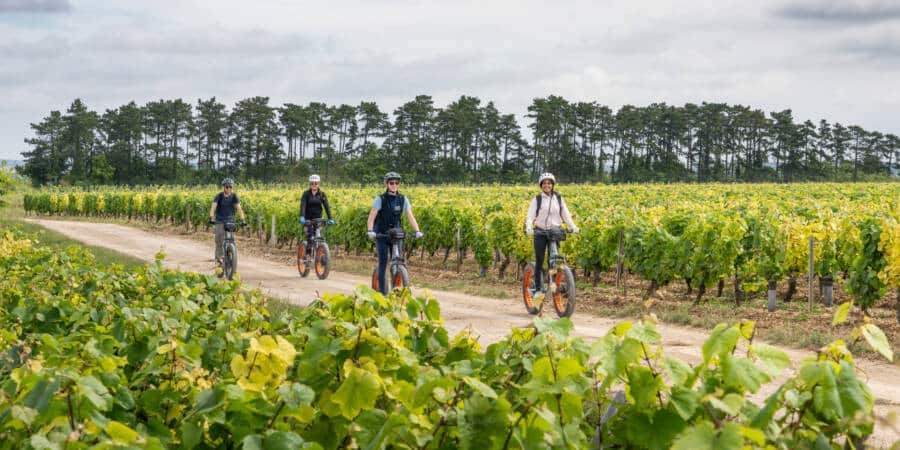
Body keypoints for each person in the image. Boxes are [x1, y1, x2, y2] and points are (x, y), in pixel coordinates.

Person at [366, 171, 423, 295]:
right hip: (382, 234)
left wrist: (417, 230)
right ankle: (382, 294)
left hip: (396, 234)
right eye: (391, 183)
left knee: (398, 261)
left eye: (397, 183)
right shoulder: (380, 199)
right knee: (383, 263)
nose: (394, 185)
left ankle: (397, 289)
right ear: (386, 184)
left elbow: (410, 216)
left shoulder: (403, 199)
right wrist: (371, 230)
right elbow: (371, 216)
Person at [524, 172, 579, 299]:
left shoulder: (558, 199)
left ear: (552, 185)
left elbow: (566, 215)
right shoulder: (537, 199)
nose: (547, 185)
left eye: (549, 183)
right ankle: (538, 288)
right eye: (544, 183)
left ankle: (553, 287)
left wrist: (573, 227)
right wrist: (528, 227)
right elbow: (530, 216)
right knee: (540, 260)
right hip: (540, 232)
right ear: (541, 185)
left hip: (555, 232)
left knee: (553, 261)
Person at [208, 178, 247, 264]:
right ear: (224, 187)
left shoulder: (234, 196)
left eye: (230, 187)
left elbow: (239, 209)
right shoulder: (219, 196)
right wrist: (211, 217)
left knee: (231, 239)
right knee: (219, 240)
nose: (229, 189)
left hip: (230, 221)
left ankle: (232, 261)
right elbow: (213, 207)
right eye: (227, 187)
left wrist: (243, 219)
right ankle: (219, 260)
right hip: (219, 221)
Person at [299, 174, 335, 257]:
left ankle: (320, 253)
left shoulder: (322, 194)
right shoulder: (306, 194)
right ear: (310, 184)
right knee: (310, 237)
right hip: (308, 219)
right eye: (312, 183)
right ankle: (308, 255)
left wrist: (330, 218)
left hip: (318, 218)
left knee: (318, 235)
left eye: (316, 183)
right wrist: (302, 216)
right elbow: (303, 205)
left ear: (318, 184)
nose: (314, 185)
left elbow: (326, 206)